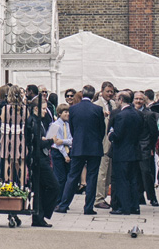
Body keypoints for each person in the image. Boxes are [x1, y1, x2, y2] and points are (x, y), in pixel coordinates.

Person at [54, 85, 105, 215]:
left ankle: (63, 204)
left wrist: (77, 139)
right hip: (94, 147)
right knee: (92, 176)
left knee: (72, 176)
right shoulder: (98, 109)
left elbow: (72, 128)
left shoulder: (74, 109)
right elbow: (102, 129)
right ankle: (88, 207)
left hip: (78, 146)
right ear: (93, 95)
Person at [25, 93, 61, 227]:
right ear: (36, 108)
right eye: (44, 109)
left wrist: (47, 140)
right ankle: (41, 213)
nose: (46, 111)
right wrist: (51, 141)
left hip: (40, 156)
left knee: (40, 189)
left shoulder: (38, 121)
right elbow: (37, 143)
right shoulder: (33, 121)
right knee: (53, 186)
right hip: (38, 158)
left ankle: (38, 217)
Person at [108, 89, 143, 215]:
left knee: (122, 180)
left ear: (121, 100)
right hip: (134, 151)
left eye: (117, 99)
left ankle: (124, 207)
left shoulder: (121, 115)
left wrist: (110, 134)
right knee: (133, 180)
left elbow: (117, 135)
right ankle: (135, 206)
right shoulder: (137, 114)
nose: (116, 101)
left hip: (122, 152)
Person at [134, 91, 159, 206]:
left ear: (144, 100)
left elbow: (154, 133)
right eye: (136, 99)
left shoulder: (149, 114)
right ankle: (139, 196)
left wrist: (151, 147)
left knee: (146, 172)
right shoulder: (130, 112)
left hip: (144, 147)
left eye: (140, 99)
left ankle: (152, 197)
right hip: (132, 147)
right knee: (136, 173)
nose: (138, 101)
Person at [0, 86, 27, 183]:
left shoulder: (5, 108)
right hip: (21, 135)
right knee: (21, 161)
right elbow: (27, 121)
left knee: (8, 160)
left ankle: (8, 183)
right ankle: (22, 184)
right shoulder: (25, 109)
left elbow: (2, 120)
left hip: (8, 135)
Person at [94, 81, 116, 209]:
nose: (110, 94)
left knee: (108, 172)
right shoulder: (97, 105)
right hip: (102, 142)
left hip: (112, 142)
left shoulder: (113, 104)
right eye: (108, 91)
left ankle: (105, 195)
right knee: (102, 171)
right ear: (102, 91)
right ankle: (99, 198)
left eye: (111, 91)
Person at [46, 103, 72, 189]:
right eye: (65, 112)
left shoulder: (68, 125)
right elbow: (57, 142)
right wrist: (65, 155)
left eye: (68, 112)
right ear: (60, 113)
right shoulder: (55, 125)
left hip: (68, 151)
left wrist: (63, 141)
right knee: (60, 178)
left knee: (67, 177)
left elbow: (71, 140)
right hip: (58, 152)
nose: (68, 114)